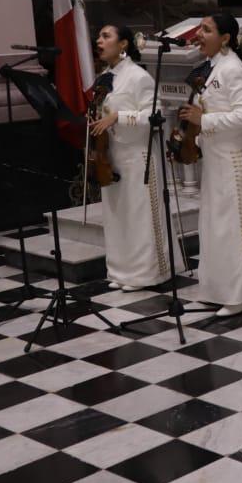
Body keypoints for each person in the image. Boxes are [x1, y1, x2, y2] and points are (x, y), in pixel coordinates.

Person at [176, 13, 242, 317]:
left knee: (236, 226)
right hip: (215, 159)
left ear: (226, 37)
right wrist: (194, 137)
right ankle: (216, 288)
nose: (199, 34)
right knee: (214, 227)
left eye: (206, 29)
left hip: (234, 161)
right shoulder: (211, 67)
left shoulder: (233, 69)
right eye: (199, 29)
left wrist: (203, 120)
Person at [86, 25, 177, 292]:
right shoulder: (105, 76)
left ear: (123, 44)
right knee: (117, 217)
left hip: (138, 156)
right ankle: (121, 271)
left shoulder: (138, 76)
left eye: (106, 36)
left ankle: (147, 273)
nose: (99, 40)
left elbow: (156, 113)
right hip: (110, 155)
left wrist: (118, 117)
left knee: (140, 217)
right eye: (99, 36)